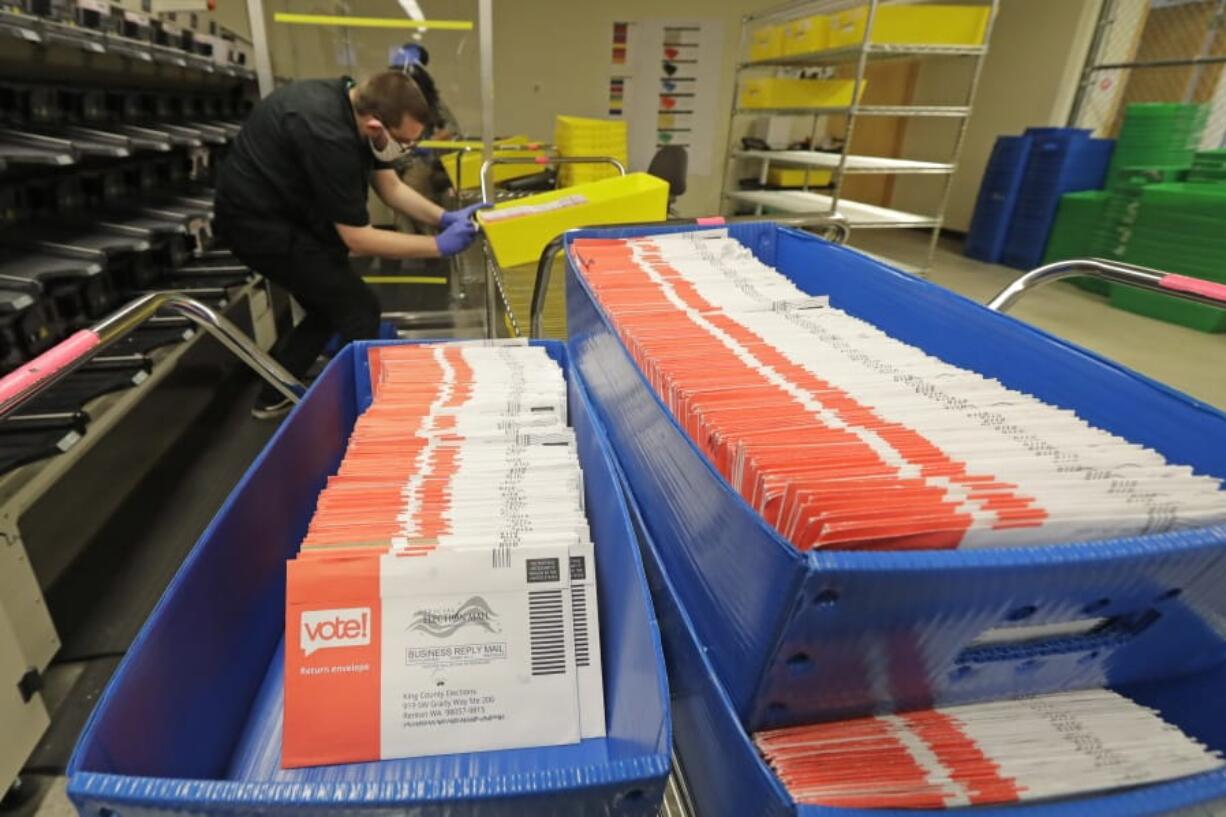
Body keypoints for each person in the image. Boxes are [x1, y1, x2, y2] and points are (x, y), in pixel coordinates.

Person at [214, 71, 487, 418]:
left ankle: (276, 391)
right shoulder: (327, 134)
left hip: (291, 216)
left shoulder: (355, 104)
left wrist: (443, 218)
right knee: (359, 309)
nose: (405, 151)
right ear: (376, 126)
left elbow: (391, 188)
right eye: (404, 144)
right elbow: (358, 237)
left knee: (331, 304)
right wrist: (438, 247)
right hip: (257, 225)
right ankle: (352, 412)